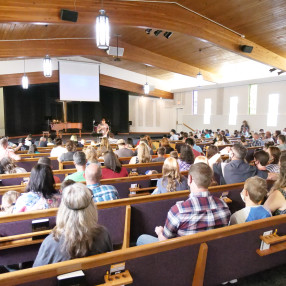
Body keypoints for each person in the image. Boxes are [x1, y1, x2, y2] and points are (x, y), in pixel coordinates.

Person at [137, 163, 230, 245]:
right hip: (212, 255)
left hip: (182, 257)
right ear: (210, 180)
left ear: (189, 179)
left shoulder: (178, 210)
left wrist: (159, 232)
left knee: (142, 239)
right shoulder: (224, 206)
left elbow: (164, 242)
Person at [33, 183, 112, 267]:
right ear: (92, 208)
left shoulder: (50, 243)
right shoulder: (103, 234)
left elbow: (35, 276)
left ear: (62, 209)